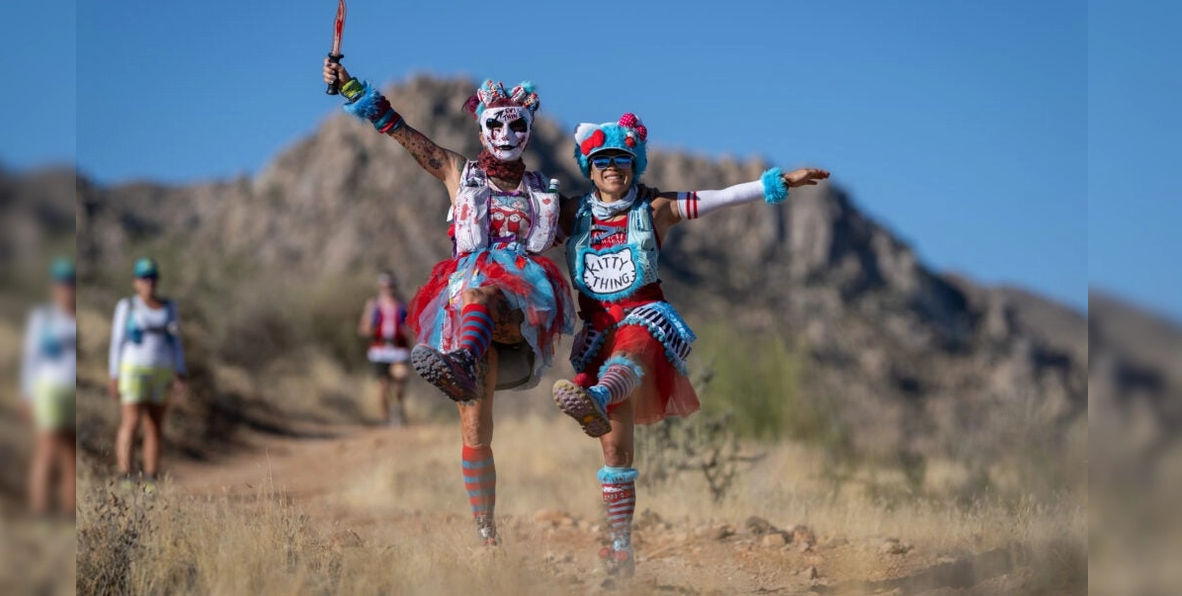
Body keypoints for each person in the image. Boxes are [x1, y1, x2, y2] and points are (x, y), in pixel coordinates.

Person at [551, 113, 830, 576]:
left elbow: (719, 198)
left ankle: (597, 395)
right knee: (616, 454)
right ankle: (621, 552)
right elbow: (522, 217)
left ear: (635, 163)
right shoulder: (572, 212)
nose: (613, 167)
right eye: (602, 160)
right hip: (598, 332)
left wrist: (778, 182)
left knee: (628, 359)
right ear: (589, 166)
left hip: (643, 320)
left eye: (622, 158)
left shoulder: (655, 207)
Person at [324, 60, 574, 545]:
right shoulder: (460, 172)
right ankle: (487, 536)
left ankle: (458, 361)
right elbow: (402, 132)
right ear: (481, 125)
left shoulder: (543, 191)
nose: (506, 131)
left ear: (529, 129)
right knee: (475, 429)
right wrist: (349, 86)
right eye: (496, 122)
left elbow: (594, 225)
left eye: (517, 123)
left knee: (484, 293)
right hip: (462, 311)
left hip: (519, 308)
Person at [107, 257, 186, 492]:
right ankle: (126, 475)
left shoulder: (169, 307)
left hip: (161, 372)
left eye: (151, 277)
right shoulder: (127, 307)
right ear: (135, 282)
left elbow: (176, 342)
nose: (148, 282)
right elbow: (117, 342)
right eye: (143, 277)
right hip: (133, 372)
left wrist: (180, 371)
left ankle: (151, 479)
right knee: (131, 421)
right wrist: (114, 374)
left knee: (155, 426)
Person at [20, 257, 78, 518]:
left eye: (71, 283)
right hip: (49, 390)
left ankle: (68, 513)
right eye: (62, 283)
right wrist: (26, 395)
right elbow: (30, 358)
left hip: (71, 391)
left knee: (70, 453)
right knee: (47, 450)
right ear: (54, 287)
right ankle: (39, 513)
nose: (67, 288)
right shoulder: (42, 317)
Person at [358, 271, 412, 426]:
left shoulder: (402, 305)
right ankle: (385, 418)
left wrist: (408, 333)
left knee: (400, 380)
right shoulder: (373, 305)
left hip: (398, 348)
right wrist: (370, 328)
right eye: (385, 286)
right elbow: (363, 328)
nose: (388, 289)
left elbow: (409, 327)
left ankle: (398, 409)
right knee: (382, 386)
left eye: (391, 286)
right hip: (380, 349)